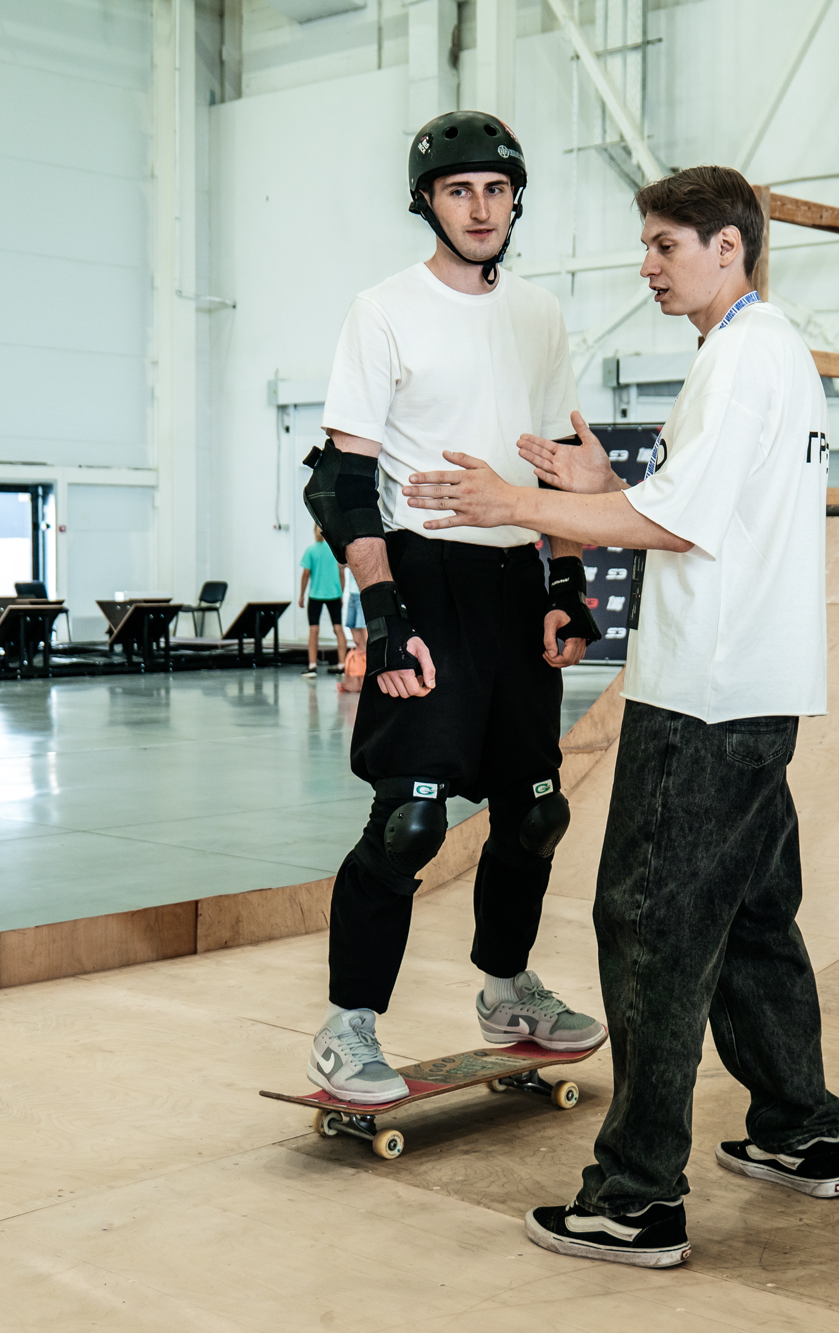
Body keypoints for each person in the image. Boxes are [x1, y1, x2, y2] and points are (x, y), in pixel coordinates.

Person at [402, 165, 839, 1268]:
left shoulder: (740, 356)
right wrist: (599, 481)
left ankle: (637, 1196)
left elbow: (675, 524)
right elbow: (702, 503)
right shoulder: (765, 350)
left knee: (649, 924)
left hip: (702, 695)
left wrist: (512, 502)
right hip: (759, 688)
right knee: (751, 917)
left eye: (663, 245)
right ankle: (799, 1127)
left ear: (727, 246)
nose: (645, 266)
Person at [297, 110, 608, 1105]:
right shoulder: (383, 310)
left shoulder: (539, 316)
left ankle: (508, 992)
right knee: (410, 821)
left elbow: (557, 471)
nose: (479, 208)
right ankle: (347, 1026)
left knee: (535, 810)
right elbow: (342, 485)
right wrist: (385, 614)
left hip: (515, 577)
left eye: (495, 189)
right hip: (424, 579)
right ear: (427, 202)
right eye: (457, 190)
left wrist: (564, 584)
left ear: (516, 199)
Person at [298, 528, 347, 677]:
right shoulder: (335, 551)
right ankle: (342, 665)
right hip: (334, 594)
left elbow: (306, 574)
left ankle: (312, 666)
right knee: (338, 629)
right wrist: (341, 594)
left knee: (313, 630)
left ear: (315, 531)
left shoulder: (311, 550)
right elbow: (342, 574)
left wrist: (301, 595)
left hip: (315, 595)